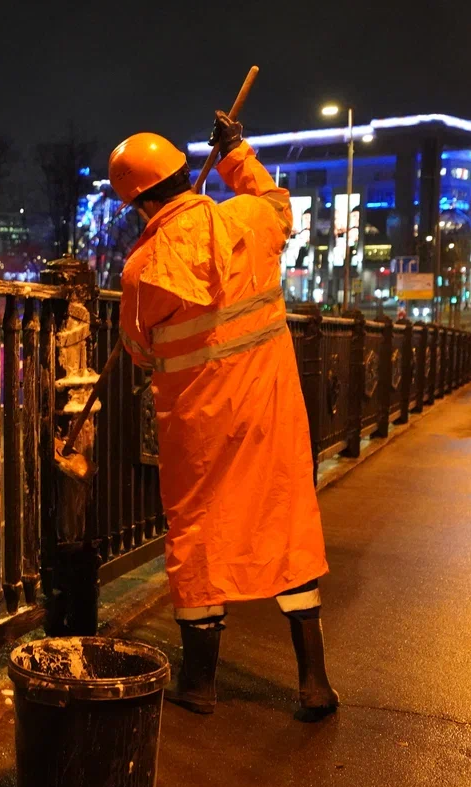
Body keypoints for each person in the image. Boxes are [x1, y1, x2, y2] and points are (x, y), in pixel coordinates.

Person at [109, 113, 338, 722]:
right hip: (269, 410)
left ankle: (200, 683)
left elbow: (137, 349)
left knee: (198, 533)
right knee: (284, 519)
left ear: (139, 203)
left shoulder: (142, 270)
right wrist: (237, 155)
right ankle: (314, 682)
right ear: (184, 176)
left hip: (197, 426)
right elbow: (278, 205)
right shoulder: (248, 222)